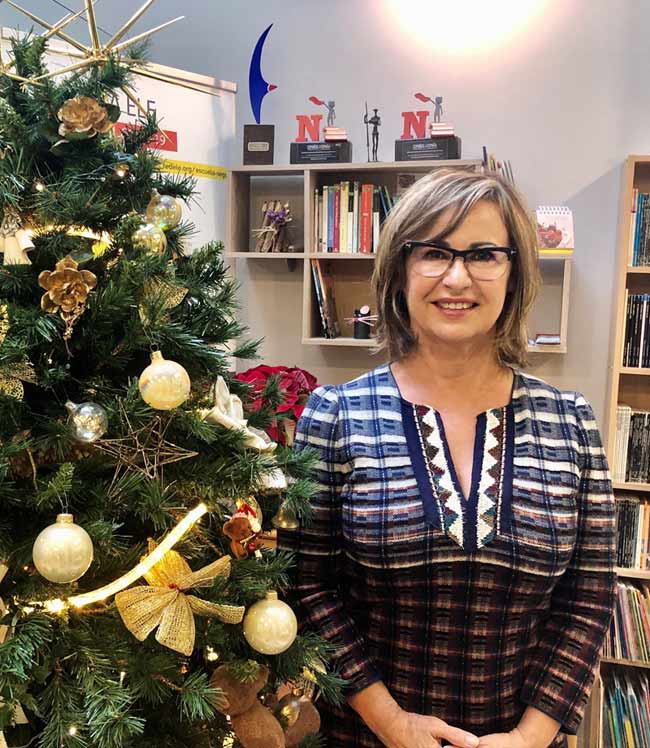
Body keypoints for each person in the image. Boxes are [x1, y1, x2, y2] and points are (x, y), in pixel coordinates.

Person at [278, 168, 616, 748]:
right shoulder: (335, 416)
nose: (457, 277)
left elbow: (588, 600)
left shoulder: (572, 423)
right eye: (434, 252)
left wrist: (532, 736)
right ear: (399, 270)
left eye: (484, 254)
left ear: (514, 273)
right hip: (366, 737)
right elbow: (307, 587)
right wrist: (393, 723)